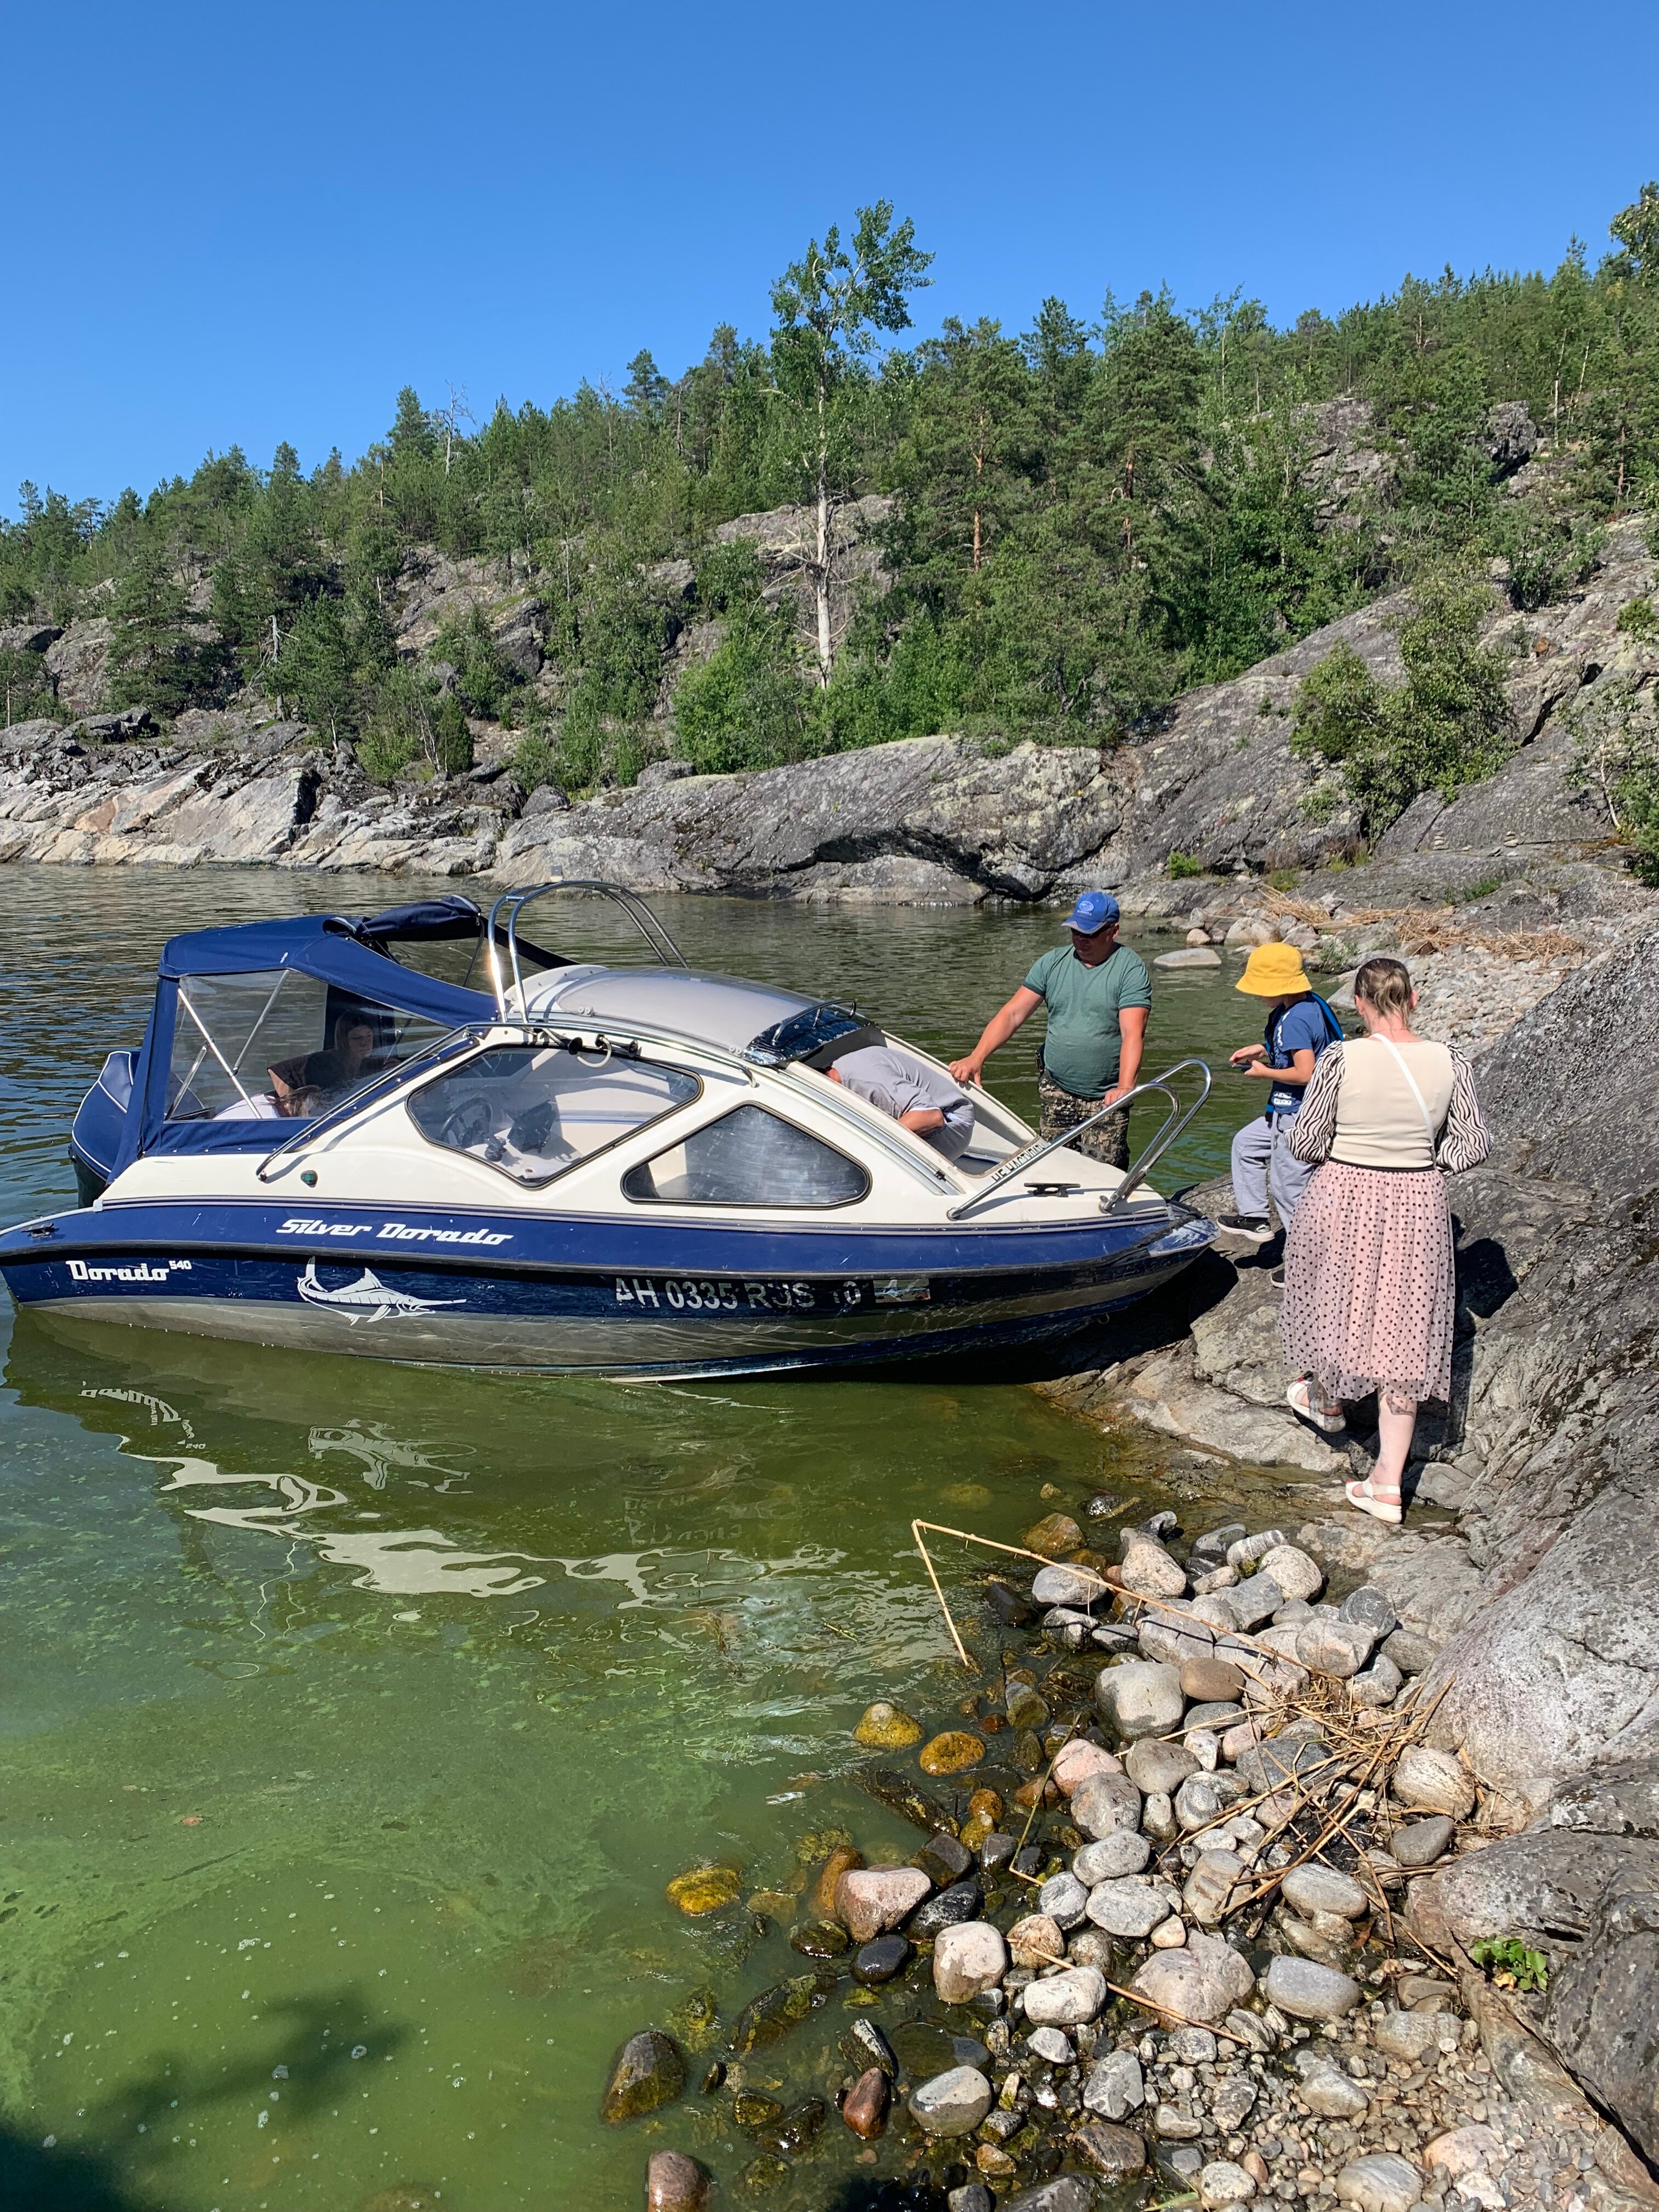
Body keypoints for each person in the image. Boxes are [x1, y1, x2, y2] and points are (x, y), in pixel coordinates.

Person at [1279, 956, 1489, 1525]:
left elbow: (1305, 1141)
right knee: (1405, 1338)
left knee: (1331, 1302)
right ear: (1414, 1000)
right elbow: (1473, 1143)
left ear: (1360, 1003)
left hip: (1344, 1192)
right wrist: (1428, 1164)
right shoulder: (1452, 1060)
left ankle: (1326, 1399)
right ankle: (1388, 1486)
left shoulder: (1340, 1058)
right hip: (1417, 1201)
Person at [950, 891, 1150, 1171]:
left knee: (1103, 1177)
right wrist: (977, 1056)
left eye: (1090, 934)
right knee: (1052, 1172)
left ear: (1113, 931)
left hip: (1106, 1098)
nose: (1081, 939)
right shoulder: (1053, 962)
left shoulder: (1130, 969)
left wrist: (1125, 1087)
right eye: (1076, 931)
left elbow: (1133, 1033)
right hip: (1056, 1090)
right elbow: (1012, 1014)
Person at [1219, 941, 1345, 1243]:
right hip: (1285, 1111)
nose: (1257, 995)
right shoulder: (1303, 1006)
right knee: (1246, 1145)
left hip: (1298, 1115)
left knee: (1288, 1187)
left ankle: (1306, 1256)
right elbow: (1300, 1048)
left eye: (1260, 987)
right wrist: (1262, 1049)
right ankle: (1255, 1217)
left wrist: (1265, 1073)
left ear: (1277, 986)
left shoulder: (1296, 1020)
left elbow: (1307, 1073)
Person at [823, 1042, 976, 1160]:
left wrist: (870, 1146)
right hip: (943, 1108)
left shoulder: (868, 1082)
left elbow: (931, 1116)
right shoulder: (842, 1066)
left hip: (953, 1123)